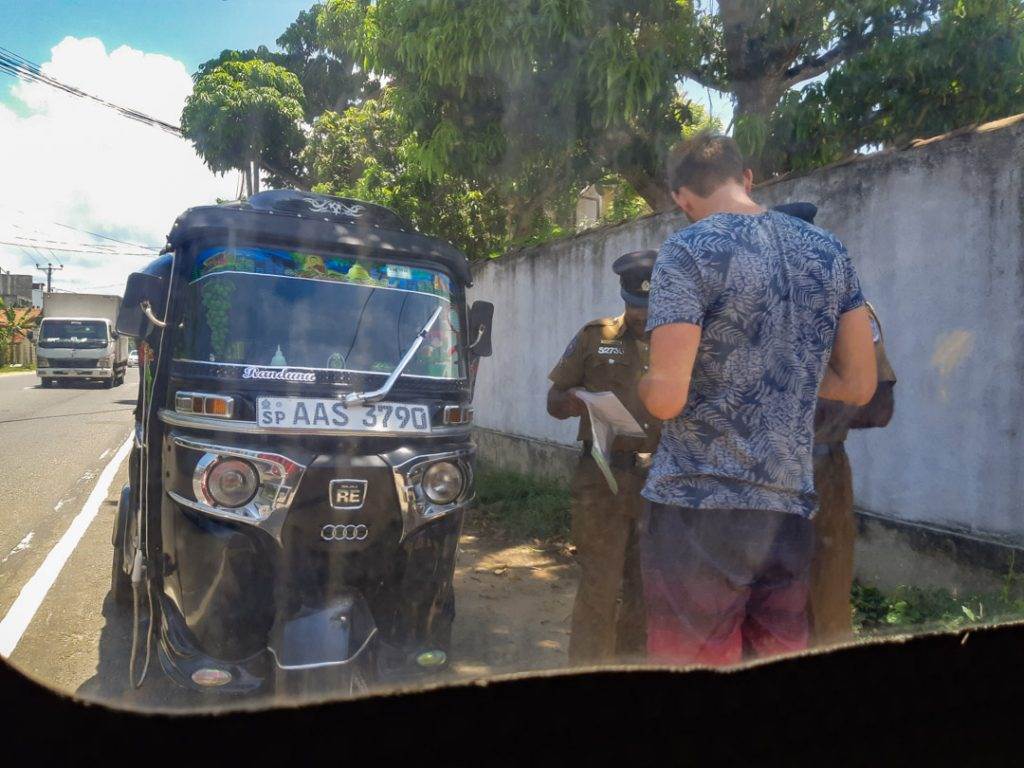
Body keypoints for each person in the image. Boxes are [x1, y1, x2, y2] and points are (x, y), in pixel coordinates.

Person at [636, 134, 877, 666]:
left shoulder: (688, 249)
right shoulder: (829, 250)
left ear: (680, 198)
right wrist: (780, 373)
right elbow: (860, 384)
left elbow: (664, 401)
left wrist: (647, 382)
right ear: (746, 179)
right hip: (786, 509)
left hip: (697, 507)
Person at [773, 203, 899, 648]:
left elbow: (878, 407)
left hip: (821, 474)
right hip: (753, 476)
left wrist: (808, 404)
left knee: (826, 602)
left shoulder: (854, 314)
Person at [547, 250, 662, 665]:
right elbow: (554, 400)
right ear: (623, 297)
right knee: (599, 581)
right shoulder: (594, 336)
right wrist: (577, 401)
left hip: (659, 480)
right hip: (601, 478)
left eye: (649, 307)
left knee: (646, 586)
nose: (641, 316)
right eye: (634, 306)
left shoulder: (680, 343)